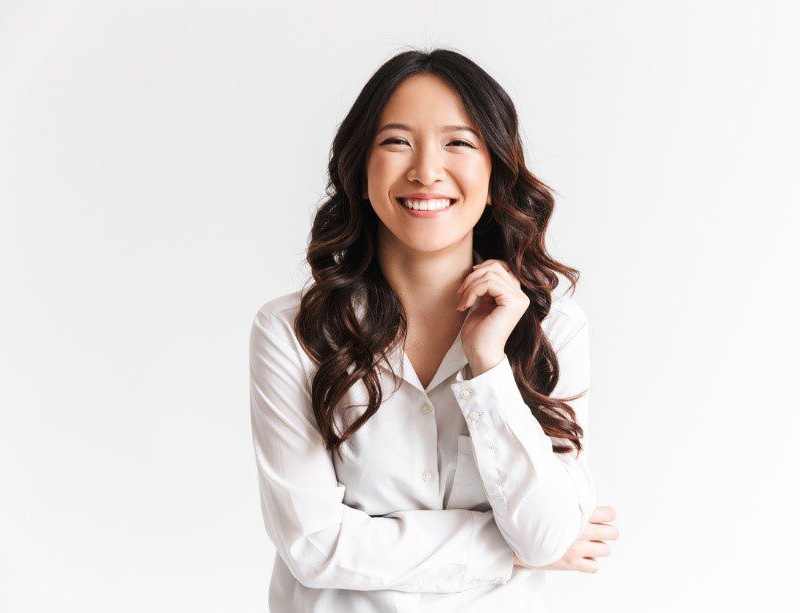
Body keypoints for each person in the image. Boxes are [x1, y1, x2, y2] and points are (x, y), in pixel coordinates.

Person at [248, 48, 620, 613]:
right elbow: (313, 544)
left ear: (495, 168)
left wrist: (490, 365)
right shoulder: (292, 332)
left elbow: (545, 534)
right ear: (359, 167)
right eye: (397, 141)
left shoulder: (553, 329)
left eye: (459, 142)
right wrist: (509, 552)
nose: (426, 170)